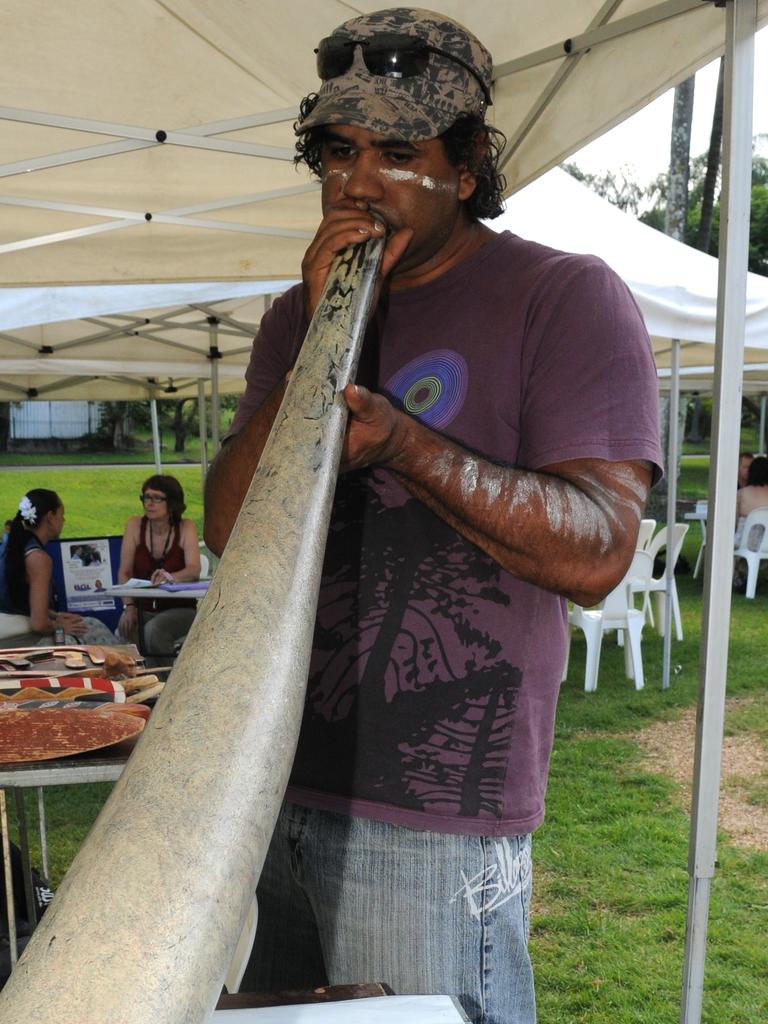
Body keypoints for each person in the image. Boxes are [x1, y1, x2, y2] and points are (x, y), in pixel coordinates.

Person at [204, 9, 662, 1023]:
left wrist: (408, 448)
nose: (356, 183)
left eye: (397, 152)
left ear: (468, 166)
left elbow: (597, 549)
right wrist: (321, 330)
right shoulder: (296, 314)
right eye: (336, 152)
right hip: (264, 788)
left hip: (437, 814)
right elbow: (233, 530)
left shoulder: (563, 297)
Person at [0, 489, 117, 646]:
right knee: (85, 635)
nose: (64, 520)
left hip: (11, 631)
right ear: (50, 517)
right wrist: (59, 626)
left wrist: (55, 615)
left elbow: (17, 602)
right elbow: (39, 624)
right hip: (18, 640)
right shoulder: (38, 559)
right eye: (62, 515)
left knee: (89, 624)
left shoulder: (10, 547)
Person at [116, 475, 200, 658]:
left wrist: (170, 577)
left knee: (153, 631)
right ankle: (143, 680)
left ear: (172, 503)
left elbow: (194, 570)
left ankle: (165, 681)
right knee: (125, 632)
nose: (149, 503)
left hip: (180, 609)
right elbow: (124, 572)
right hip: (142, 608)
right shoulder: (134, 525)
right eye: (146, 497)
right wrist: (129, 607)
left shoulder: (186, 527)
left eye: (156, 498)